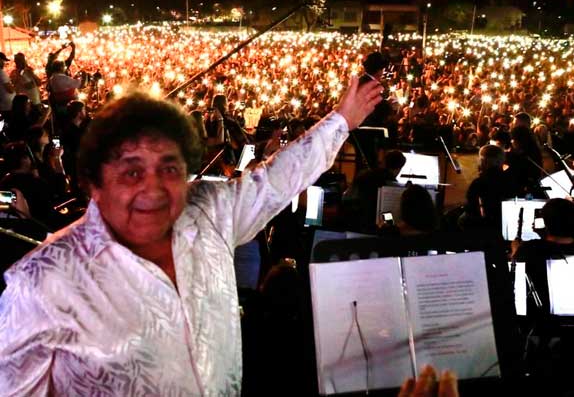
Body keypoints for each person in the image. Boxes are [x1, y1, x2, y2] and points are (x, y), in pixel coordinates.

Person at [0, 77, 383, 395]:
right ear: (93, 181)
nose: (153, 189)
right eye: (132, 172)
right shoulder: (41, 282)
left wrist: (342, 120)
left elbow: (275, 181)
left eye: (169, 169)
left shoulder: (210, 211)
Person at [0, 52, 16, 117]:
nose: (4, 63)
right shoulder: (1, 73)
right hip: (8, 106)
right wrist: (16, 84)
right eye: (3, 61)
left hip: (4, 104)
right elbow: (10, 90)